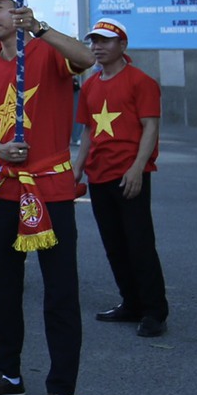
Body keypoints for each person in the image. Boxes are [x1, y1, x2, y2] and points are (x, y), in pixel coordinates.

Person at [0, 0, 94, 395]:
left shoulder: (46, 51)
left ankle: (62, 391)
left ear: (16, 11)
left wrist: (39, 27)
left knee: (59, 293)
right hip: (3, 189)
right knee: (4, 286)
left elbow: (86, 59)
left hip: (51, 189)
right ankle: (9, 372)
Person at [73, 19, 167, 338]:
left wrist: (138, 168)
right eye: (94, 41)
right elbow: (87, 130)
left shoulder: (141, 81)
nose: (97, 47)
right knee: (113, 244)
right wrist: (77, 167)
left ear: (122, 46)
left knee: (140, 244)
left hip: (130, 174)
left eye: (105, 41)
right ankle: (131, 303)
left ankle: (154, 311)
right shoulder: (89, 84)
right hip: (99, 174)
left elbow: (150, 127)